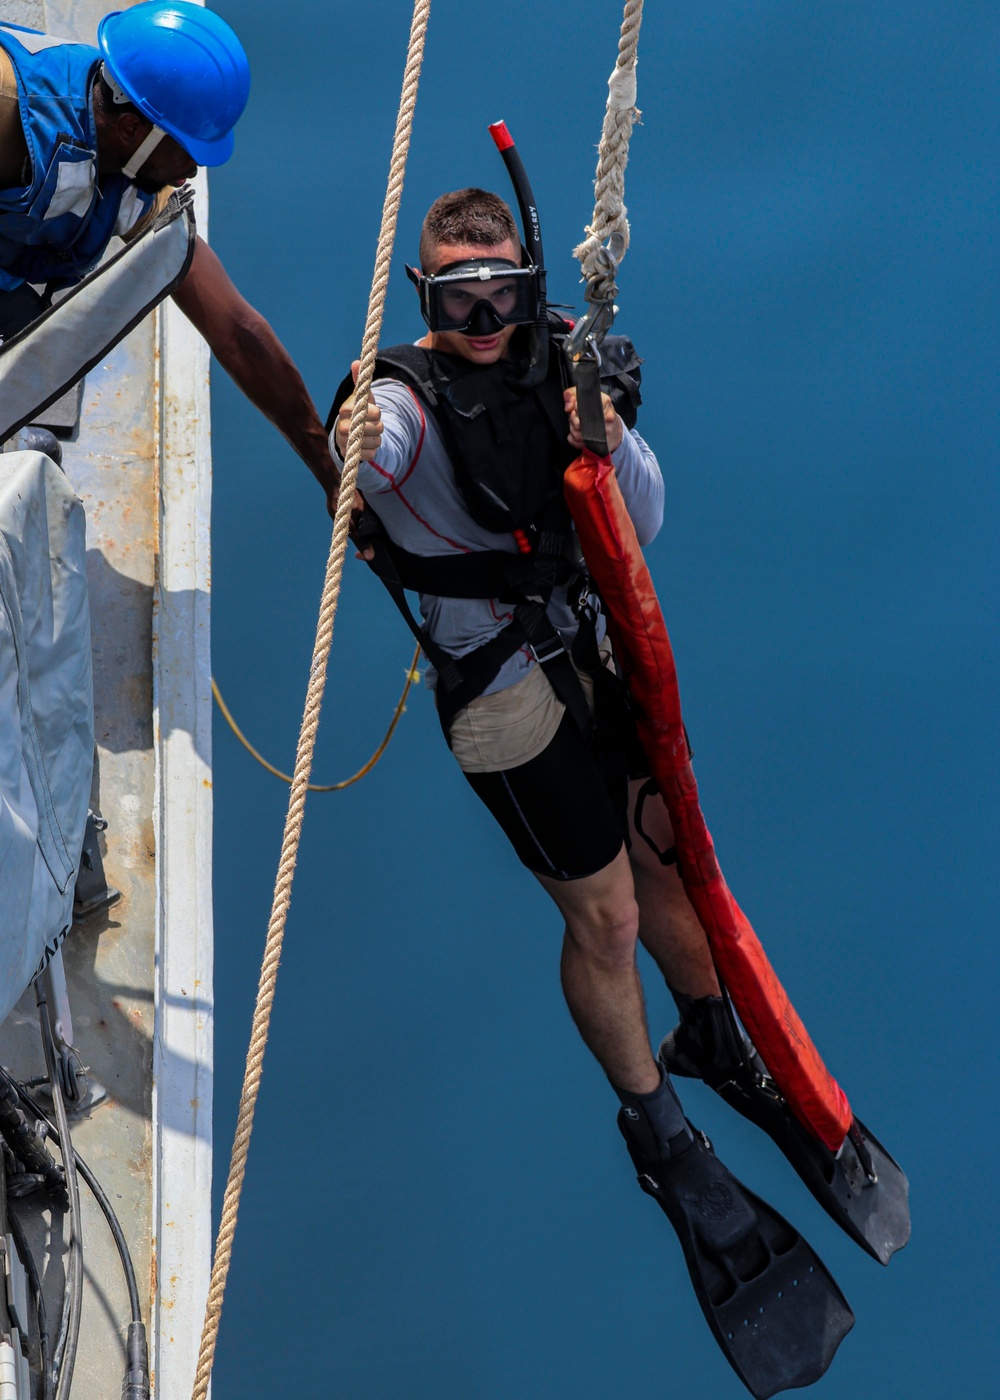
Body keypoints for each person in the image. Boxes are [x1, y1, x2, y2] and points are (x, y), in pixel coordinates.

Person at [0, 3, 339, 509]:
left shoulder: (127, 158)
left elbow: (237, 333)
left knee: (32, 324)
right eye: (185, 153)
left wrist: (328, 471)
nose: (189, 174)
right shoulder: (13, 116)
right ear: (134, 130)